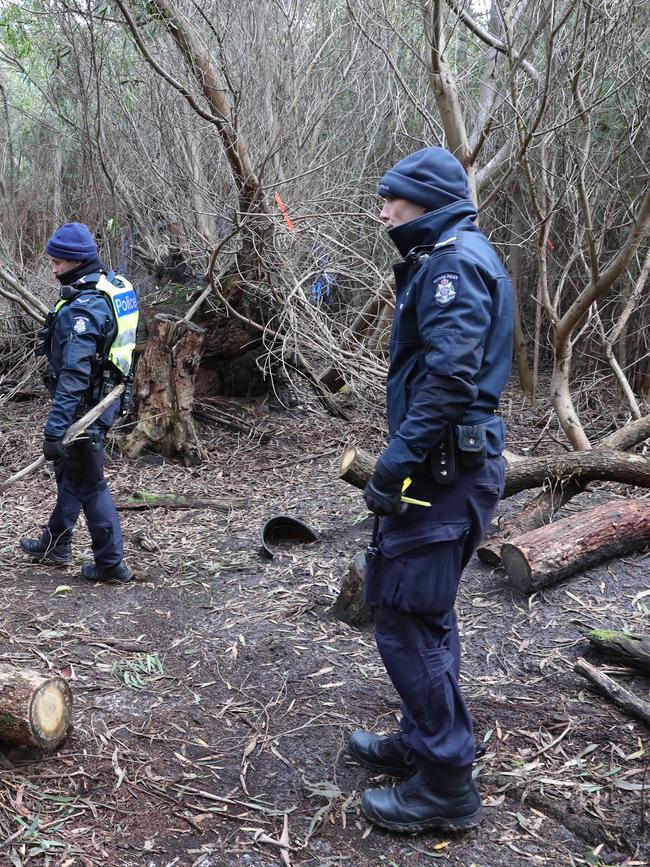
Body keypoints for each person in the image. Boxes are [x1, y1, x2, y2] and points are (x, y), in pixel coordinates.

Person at [348, 148, 513, 833]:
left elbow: (450, 379)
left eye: (393, 201)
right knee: (427, 613)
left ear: (424, 201)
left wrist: (394, 463)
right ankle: (425, 743)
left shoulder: (452, 263)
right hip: (445, 468)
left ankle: (446, 784)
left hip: (441, 474)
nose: (384, 213)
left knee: (404, 616)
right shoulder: (449, 255)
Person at [19, 222, 138, 583]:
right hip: (109, 397)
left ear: (76, 260)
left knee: (89, 482)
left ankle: (110, 563)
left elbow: (74, 374)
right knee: (70, 474)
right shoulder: (115, 286)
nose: (53, 269)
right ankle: (56, 544)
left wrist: (56, 429)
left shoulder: (83, 308)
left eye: (58, 262)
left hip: (84, 411)